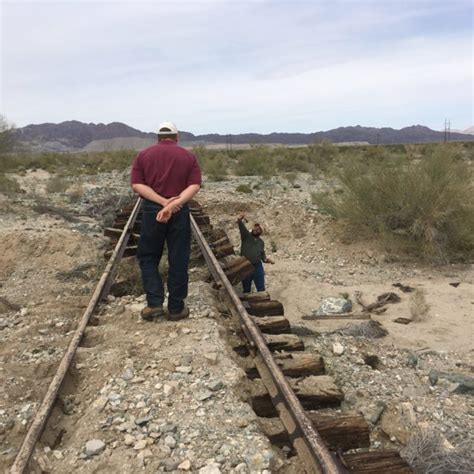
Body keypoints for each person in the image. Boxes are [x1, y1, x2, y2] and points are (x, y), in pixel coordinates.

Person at [131, 121, 201, 321]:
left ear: (158, 138)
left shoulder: (143, 155)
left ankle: (154, 304)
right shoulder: (188, 156)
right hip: (179, 211)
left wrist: (163, 203)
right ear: (176, 137)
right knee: (178, 258)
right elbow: (194, 186)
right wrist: (173, 205)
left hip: (154, 210)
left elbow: (137, 185)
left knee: (148, 257)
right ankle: (176, 308)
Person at [237, 214, 274, 293]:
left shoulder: (261, 242)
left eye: (258, 228)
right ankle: (247, 304)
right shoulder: (246, 236)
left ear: (261, 232)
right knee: (246, 289)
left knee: (261, 288)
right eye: (255, 227)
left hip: (257, 266)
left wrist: (268, 260)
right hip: (245, 265)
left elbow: (263, 257)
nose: (256, 229)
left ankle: (263, 302)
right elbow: (240, 223)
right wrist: (240, 219)